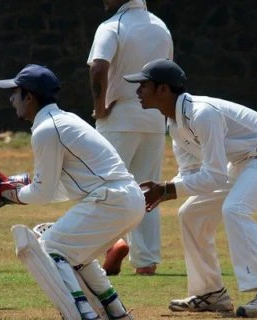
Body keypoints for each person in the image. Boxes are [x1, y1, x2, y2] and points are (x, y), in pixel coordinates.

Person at [124, 59, 257, 318]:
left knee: (235, 209)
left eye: (143, 85)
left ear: (163, 89)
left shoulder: (203, 113)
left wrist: (167, 190)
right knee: (191, 213)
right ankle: (210, 292)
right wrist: (166, 191)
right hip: (241, 162)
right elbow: (191, 173)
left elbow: (213, 175)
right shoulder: (174, 122)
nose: (138, 91)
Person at [0, 64, 144, 320]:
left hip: (111, 198)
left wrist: (6, 195)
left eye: (15, 93)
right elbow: (62, 187)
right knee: (75, 254)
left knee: (51, 248)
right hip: (123, 198)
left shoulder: (48, 130)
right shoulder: (64, 121)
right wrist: (17, 191)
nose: (11, 99)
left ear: (30, 97)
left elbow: (41, 194)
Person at [87, 0, 173, 276]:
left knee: (104, 186)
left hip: (119, 114)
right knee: (147, 189)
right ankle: (146, 260)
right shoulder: (160, 27)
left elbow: (98, 67)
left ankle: (108, 246)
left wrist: (100, 107)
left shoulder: (113, 25)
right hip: (154, 116)